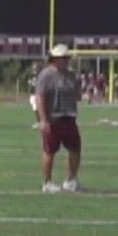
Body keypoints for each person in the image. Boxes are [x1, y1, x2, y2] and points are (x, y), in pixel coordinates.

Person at [34, 43, 84, 192]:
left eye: (67, 58)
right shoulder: (46, 75)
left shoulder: (70, 75)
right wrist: (43, 120)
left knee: (75, 149)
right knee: (49, 151)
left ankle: (71, 179)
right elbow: (40, 97)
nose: (66, 60)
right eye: (63, 58)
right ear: (55, 59)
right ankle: (47, 182)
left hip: (69, 116)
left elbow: (77, 94)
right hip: (53, 118)